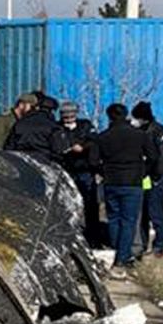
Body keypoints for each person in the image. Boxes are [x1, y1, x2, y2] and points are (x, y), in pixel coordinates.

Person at [94, 103, 158, 276]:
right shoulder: (139, 136)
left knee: (113, 218)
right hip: (133, 182)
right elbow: (153, 156)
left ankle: (116, 251)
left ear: (109, 116)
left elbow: (93, 161)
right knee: (129, 221)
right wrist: (143, 172)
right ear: (126, 114)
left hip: (111, 182)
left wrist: (105, 172)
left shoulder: (103, 137)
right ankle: (123, 257)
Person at [58, 101, 103, 246]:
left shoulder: (86, 126)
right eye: (66, 117)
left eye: (71, 117)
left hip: (85, 170)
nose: (69, 120)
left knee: (91, 205)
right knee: (67, 204)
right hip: (67, 170)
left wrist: (83, 147)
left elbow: (95, 141)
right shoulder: (57, 128)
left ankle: (93, 238)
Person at [132, 100, 163, 257]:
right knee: (142, 212)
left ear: (143, 118)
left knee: (155, 212)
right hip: (141, 178)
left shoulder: (159, 132)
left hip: (154, 178)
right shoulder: (139, 132)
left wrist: (155, 176)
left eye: (136, 117)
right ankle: (142, 244)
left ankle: (159, 245)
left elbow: (162, 158)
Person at [4, 90, 62, 156]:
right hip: (44, 162)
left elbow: (8, 148)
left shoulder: (20, 123)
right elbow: (59, 150)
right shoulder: (53, 126)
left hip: (20, 162)